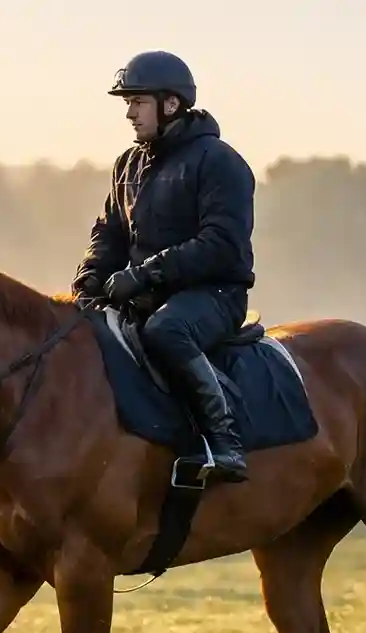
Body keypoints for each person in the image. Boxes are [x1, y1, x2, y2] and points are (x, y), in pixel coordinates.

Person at [72, 50, 257, 483]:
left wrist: (144, 274)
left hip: (214, 295)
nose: (130, 114)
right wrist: (90, 277)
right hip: (147, 294)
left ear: (171, 104)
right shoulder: (127, 165)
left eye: (138, 102)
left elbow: (221, 244)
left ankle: (224, 443)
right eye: (128, 103)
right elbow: (109, 232)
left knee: (166, 331)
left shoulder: (220, 161)